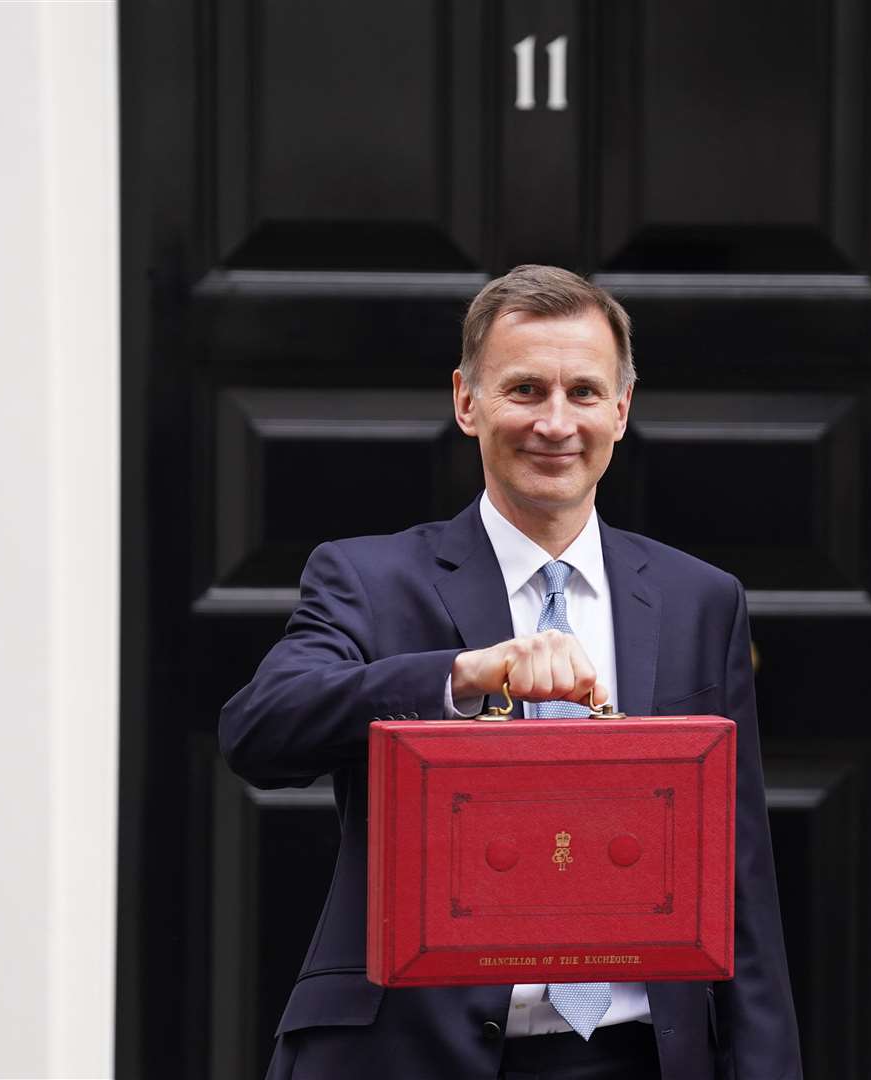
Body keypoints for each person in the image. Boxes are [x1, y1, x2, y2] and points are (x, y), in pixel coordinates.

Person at [220, 265, 802, 1080]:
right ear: (467, 401)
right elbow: (260, 730)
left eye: (584, 393)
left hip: (637, 1055)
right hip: (408, 1055)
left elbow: (740, 877)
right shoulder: (367, 578)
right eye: (524, 390)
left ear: (622, 410)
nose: (555, 423)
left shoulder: (700, 599)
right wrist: (461, 676)